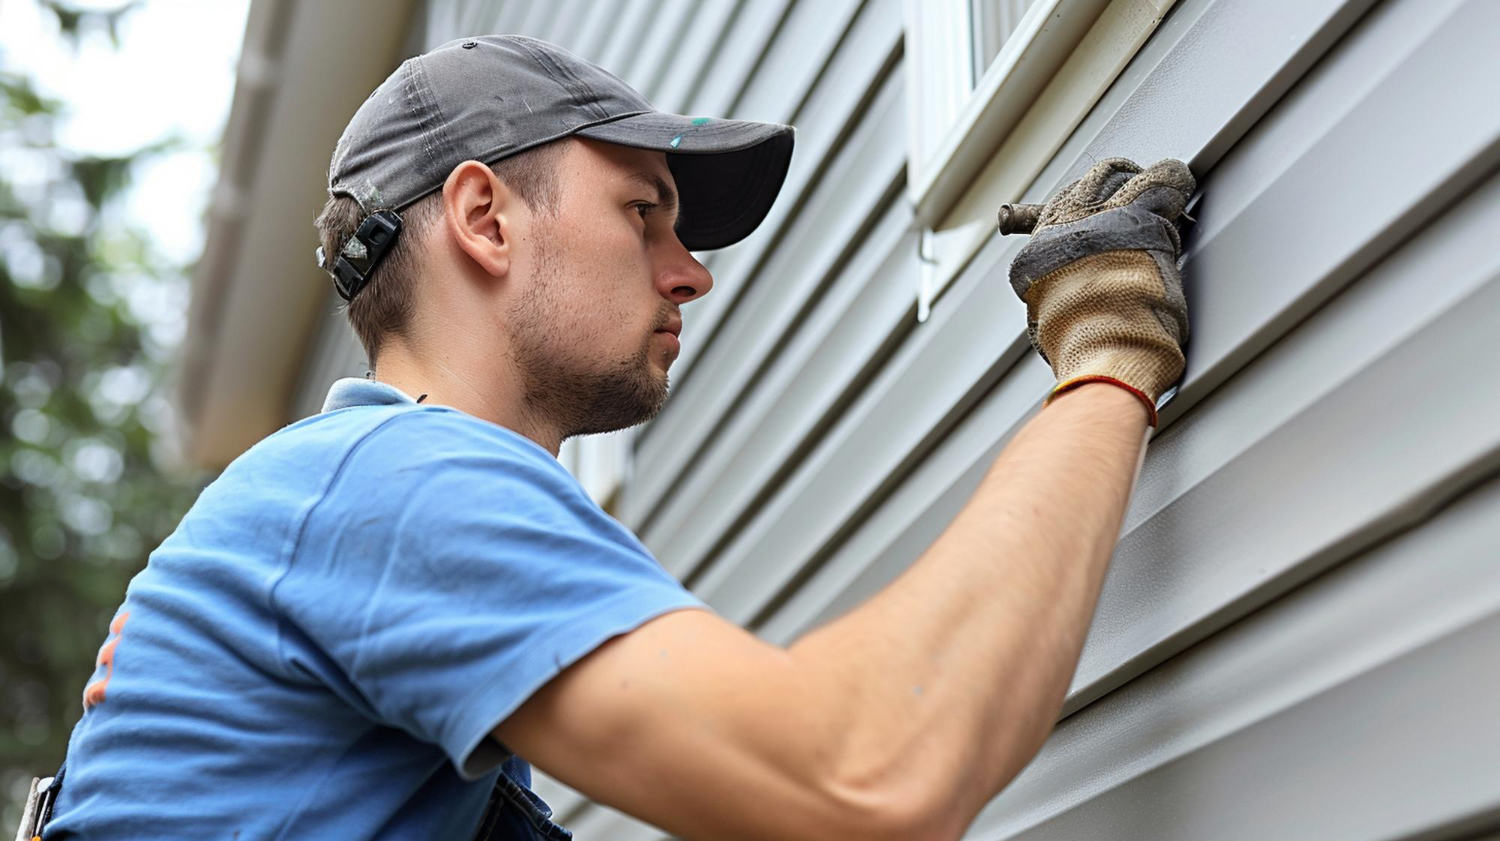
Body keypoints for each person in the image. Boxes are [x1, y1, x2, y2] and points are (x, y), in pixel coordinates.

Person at [40, 34, 1193, 841]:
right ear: (485, 219)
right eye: (642, 214)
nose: (690, 274)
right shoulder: (403, 487)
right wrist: (1105, 351)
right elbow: (869, 777)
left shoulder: (341, 504)